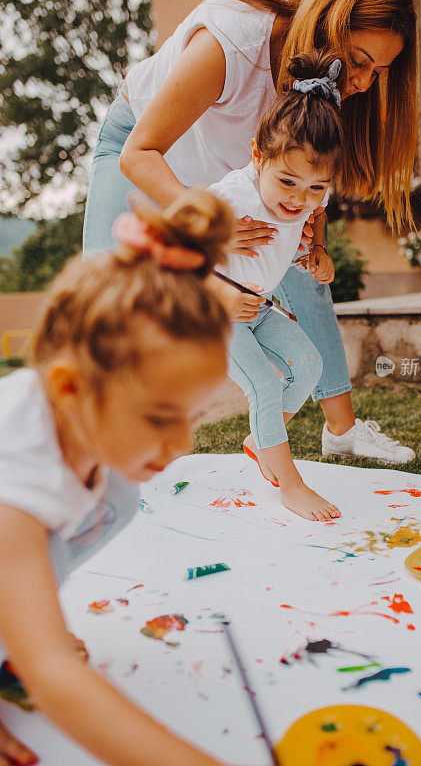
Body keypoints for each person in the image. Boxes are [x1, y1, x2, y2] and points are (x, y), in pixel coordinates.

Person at [82, 0, 417, 468]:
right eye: (359, 62)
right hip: (142, 146)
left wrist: (309, 241)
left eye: (378, 71)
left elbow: (309, 193)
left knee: (303, 271)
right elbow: (140, 153)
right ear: (327, 24)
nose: (364, 83)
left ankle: (342, 431)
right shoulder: (233, 41)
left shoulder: (322, 86)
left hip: (225, 178)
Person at [0, 191, 252, 766]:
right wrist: (37, 649)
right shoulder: (12, 487)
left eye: (193, 417)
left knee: (117, 497)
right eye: (161, 418)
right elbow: (53, 675)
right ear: (69, 388)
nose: (182, 444)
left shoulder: (81, 434)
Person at [210, 50, 343, 521]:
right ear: (256, 156)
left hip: (259, 308)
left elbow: (316, 215)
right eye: (287, 181)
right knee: (264, 386)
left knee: (309, 364)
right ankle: (290, 484)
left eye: (315, 187)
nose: (299, 199)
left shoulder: (307, 198)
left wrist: (318, 252)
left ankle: (260, 442)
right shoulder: (232, 197)